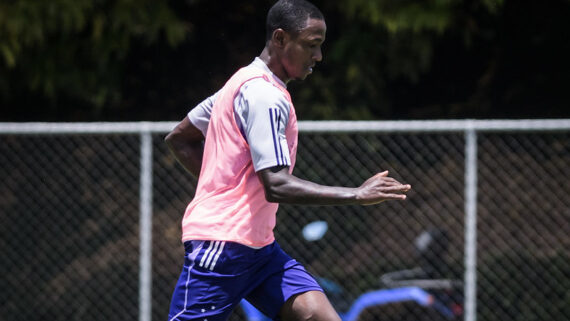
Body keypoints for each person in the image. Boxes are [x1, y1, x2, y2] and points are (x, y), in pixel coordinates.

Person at [165, 1, 411, 320]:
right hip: (223, 246)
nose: (319, 57)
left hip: (259, 249)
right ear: (280, 39)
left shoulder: (240, 83)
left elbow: (180, 138)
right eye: (312, 45)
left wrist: (228, 189)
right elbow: (276, 184)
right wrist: (356, 194)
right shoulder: (264, 97)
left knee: (316, 315)